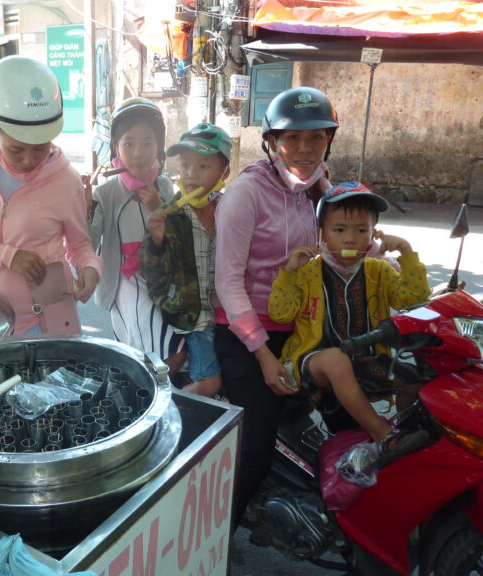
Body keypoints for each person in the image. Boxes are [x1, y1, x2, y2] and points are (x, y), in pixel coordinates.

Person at [214, 87, 339, 529]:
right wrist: (264, 356)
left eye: (316, 139)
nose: (304, 149)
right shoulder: (245, 194)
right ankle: (215, 539)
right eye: (292, 139)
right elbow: (227, 283)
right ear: (271, 142)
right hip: (245, 333)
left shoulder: (321, 189)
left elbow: (349, 243)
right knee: (256, 449)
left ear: (328, 142)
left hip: (301, 325)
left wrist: (391, 254)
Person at [269, 182, 430, 467]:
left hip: (364, 358)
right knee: (336, 360)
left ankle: (402, 431)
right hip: (314, 362)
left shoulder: (380, 269)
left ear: (373, 233)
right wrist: (289, 272)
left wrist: (406, 254)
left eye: (361, 230)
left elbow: (412, 297)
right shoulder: (307, 273)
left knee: (412, 375)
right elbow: (281, 314)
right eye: (339, 230)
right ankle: (384, 436)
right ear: (322, 233)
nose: (350, 239)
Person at [0, 56, 101, 336]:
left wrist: (90, 269)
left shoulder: (66, 180)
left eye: (40, 148)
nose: (29, 159)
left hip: (48, 323)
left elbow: (79, 246)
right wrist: (6, 256)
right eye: (16, 149)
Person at [139, 123, 232, 397]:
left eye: (203, 167)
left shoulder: (230, 209)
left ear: (224, 171)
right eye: (186, 165)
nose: (191, 175)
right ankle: (167, 412)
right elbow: (151, 269)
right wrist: (156, 240)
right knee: (209, 383)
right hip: (195, 316)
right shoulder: (171, 214)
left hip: (226, 316)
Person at [90, 97, 184, 367]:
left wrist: (159, 206)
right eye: (128, 143)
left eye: (147, 142)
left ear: (159, 147)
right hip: (127, 285)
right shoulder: (105, 193)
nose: (139, 152)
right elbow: (87, 242)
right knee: (161, 356)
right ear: (116, 148)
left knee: (169, 353)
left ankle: (151, 401)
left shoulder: (165, 187)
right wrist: (84, 209)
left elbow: (180, 236)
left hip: (163, 282)